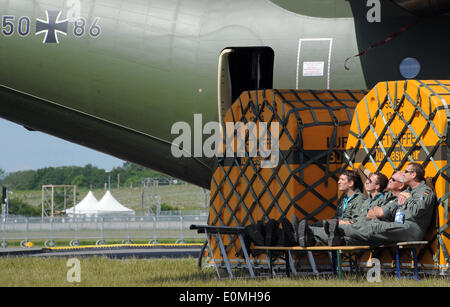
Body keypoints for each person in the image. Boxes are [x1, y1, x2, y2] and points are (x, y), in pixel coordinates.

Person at [310, 163, 436, 246]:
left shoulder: (424, 192)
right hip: (398, 225)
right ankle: (308, 232)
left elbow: (416, 212)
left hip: (412, 229)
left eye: (406, 172)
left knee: (375, 227)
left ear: (414, 175)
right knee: (357, 234)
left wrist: (408, 199)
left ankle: (337, 229)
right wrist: (402, 198)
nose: (403, 174)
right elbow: (386, 210)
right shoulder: (406, 192)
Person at [305, 171, 388, 246]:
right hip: (352, 228)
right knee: (320, 225)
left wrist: (348, 222)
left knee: (324, 231)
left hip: (359, 231)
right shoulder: (364, 201)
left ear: (377, 186)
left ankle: (306, 233)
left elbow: (363, 220)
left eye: (369, 181)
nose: (366, 182)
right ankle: (302, 234)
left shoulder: (366, 199)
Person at [293, 169, 366, 246]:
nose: (338, 182)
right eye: (339, 179)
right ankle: (295, 234)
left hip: (345, 232)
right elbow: (336, 217)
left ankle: (298, 234)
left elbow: (357, 223)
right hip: (336, 229)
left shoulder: (360, 199)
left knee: (312, 230)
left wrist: (341, 222)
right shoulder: (344, 199)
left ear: (351, 183)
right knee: (317, 224)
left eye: (342, 179)